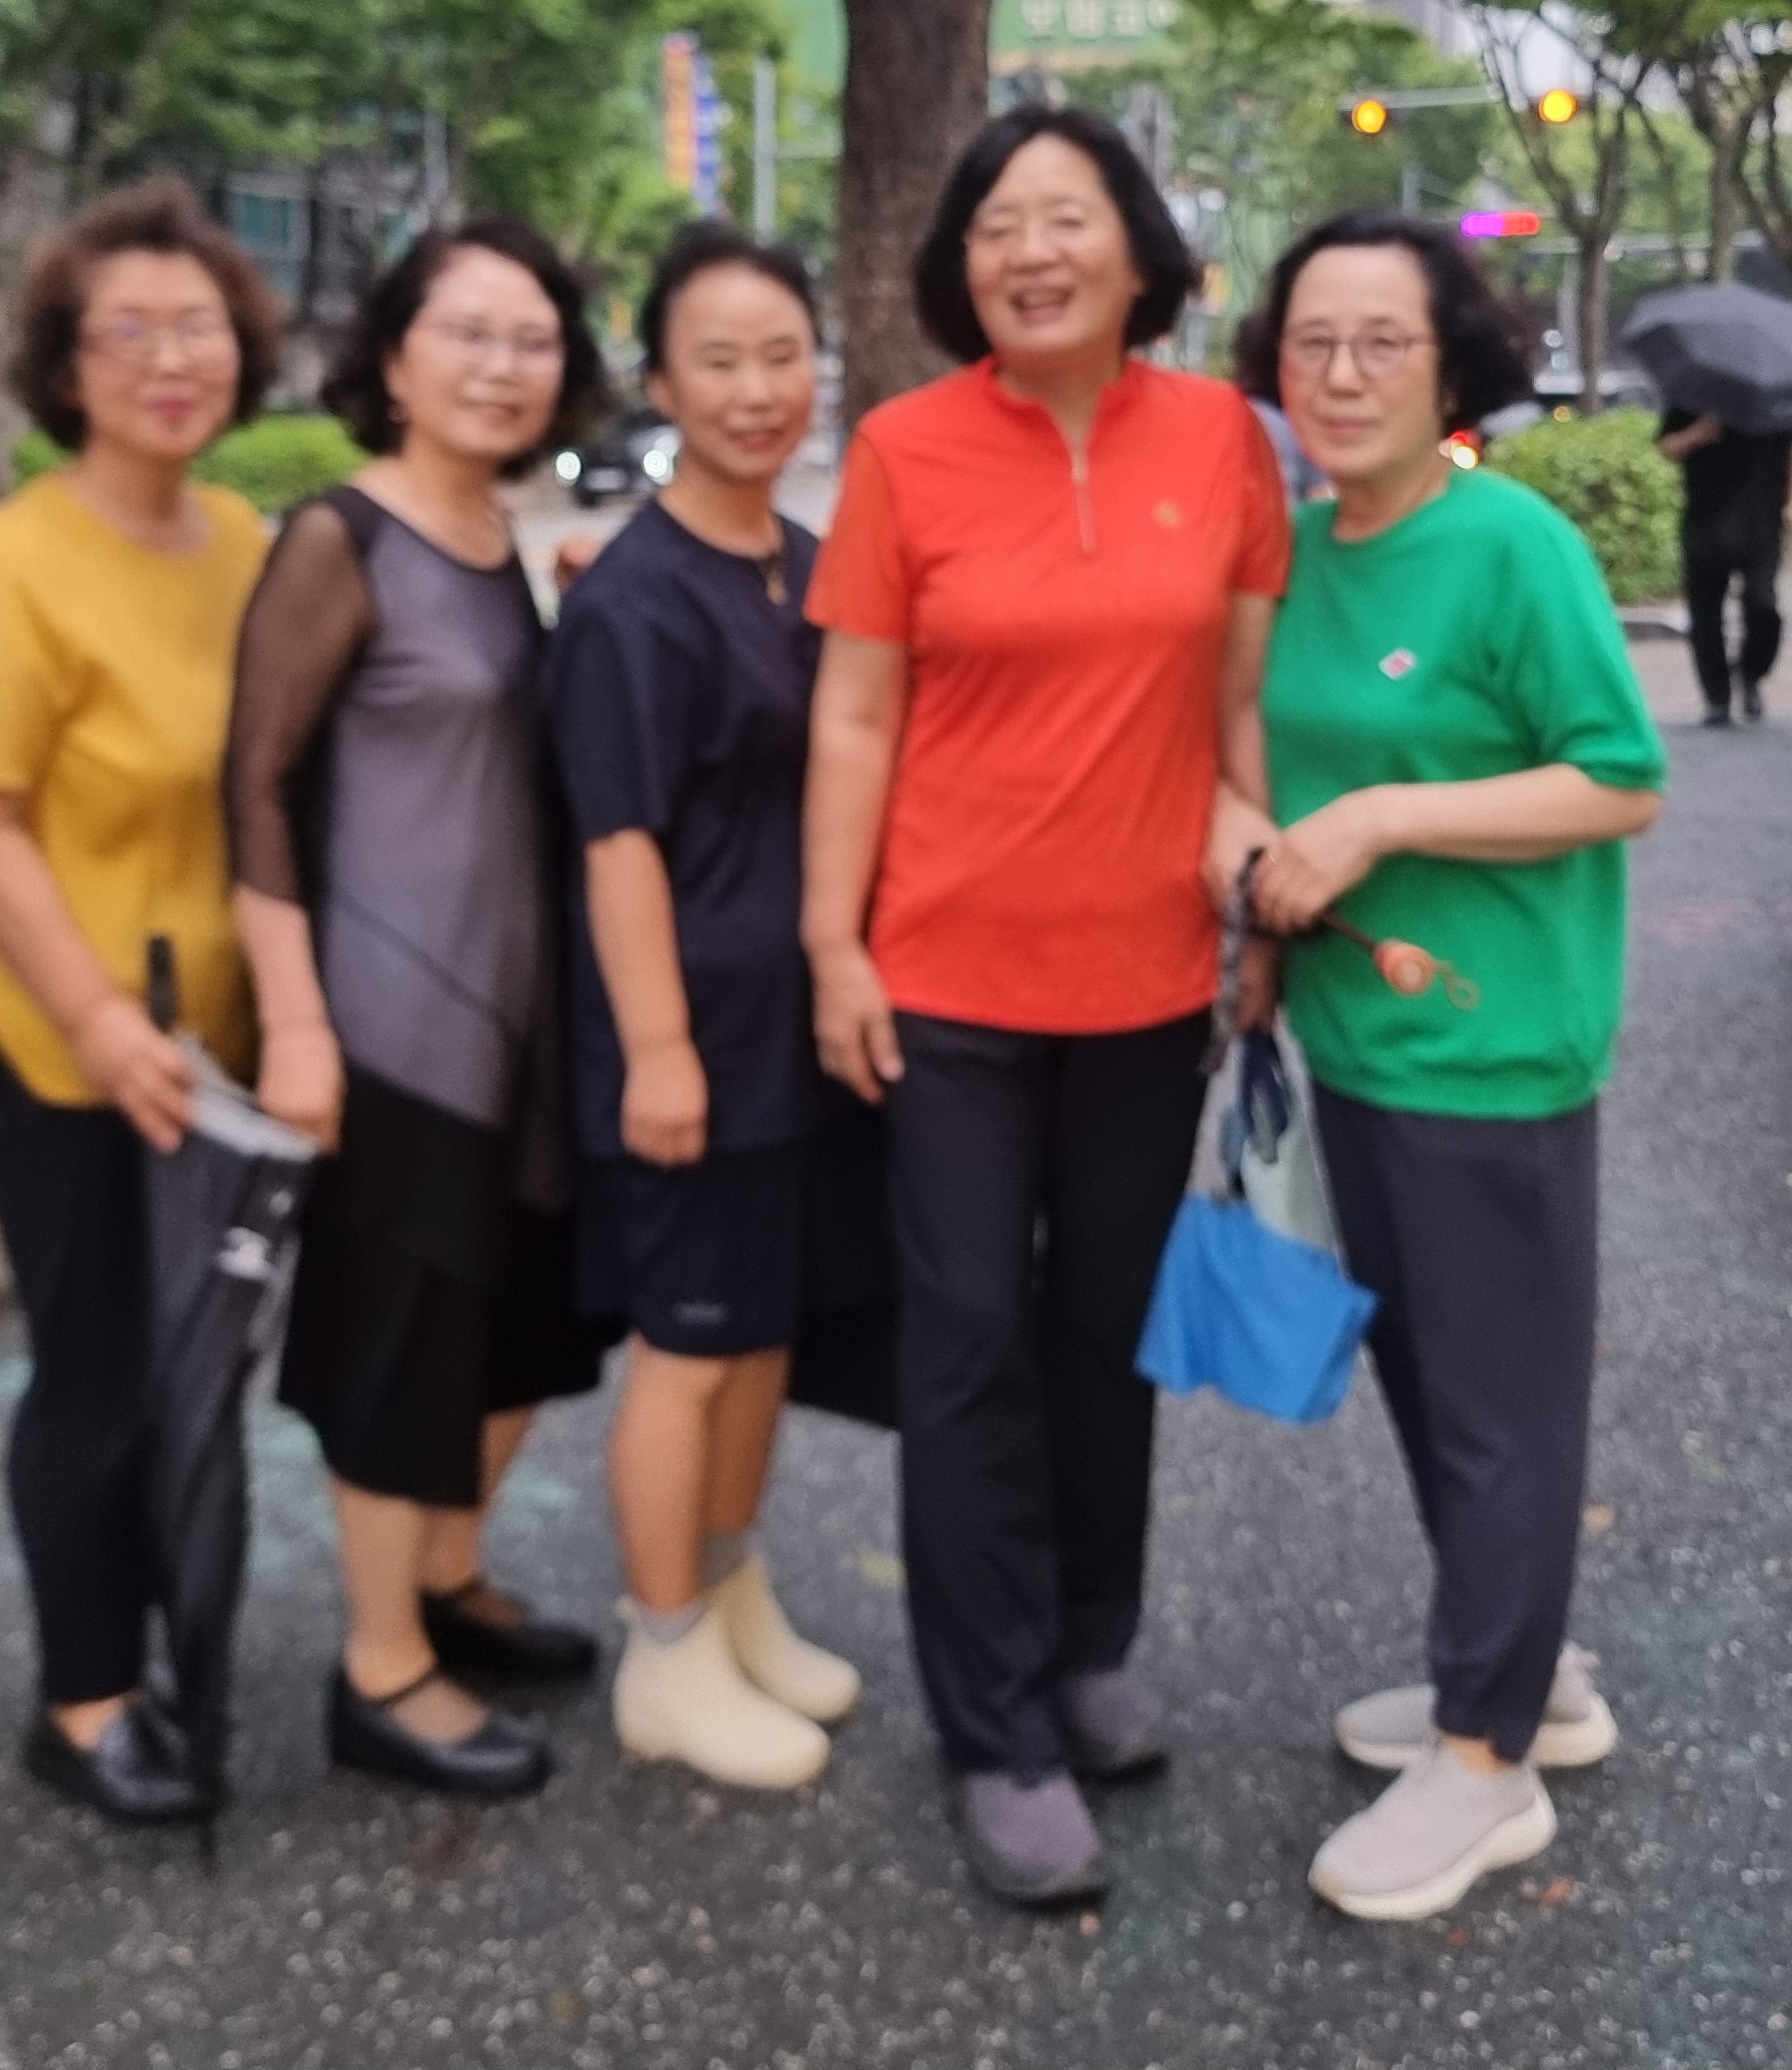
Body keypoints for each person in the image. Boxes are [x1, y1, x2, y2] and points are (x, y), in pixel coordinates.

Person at [803, 101, 1290, 1906]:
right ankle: (996, 1727)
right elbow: (855, 713)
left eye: (1066, 216)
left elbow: (1231, 709)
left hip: (1148, 977)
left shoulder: (1223, 442)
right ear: (961, 267)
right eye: (997, 224)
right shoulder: (906, 450)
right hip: (947, 982)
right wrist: (834, 945)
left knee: (1102, 1332)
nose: (1030, 250)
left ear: (1139, 250)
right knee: (965, 1347)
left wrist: (1258, 901)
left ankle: (1090, 1641)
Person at [1232, 211, 1665, 1923]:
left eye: (1381, 343)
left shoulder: (1511, 544)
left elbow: (1619, 776)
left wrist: (1385, 817)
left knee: (1501, 1407)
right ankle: (1525, 1677)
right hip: (1355, 1043)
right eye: (1311, 342)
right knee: (1428, 1380)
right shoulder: (1300, 550)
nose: (1341, 375)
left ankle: (1486, 1765)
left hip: (1495, 1052)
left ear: (1449, 365)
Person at [227, 217, 619, 1801]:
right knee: (399, 1348)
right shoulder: (341, 537)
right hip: (389, 1035)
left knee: (524, 1329)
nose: (501, 365)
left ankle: (449, 1580)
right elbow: (255, 784)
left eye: (531, 339)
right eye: (467, 332)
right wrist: (293, 1023)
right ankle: (381, 1668)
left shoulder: (497, 536)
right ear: (394, 358)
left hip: (526, 1036)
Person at [0, 177, 287, 1827]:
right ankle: (80, 1700)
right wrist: (97, 1020)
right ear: (65, 368)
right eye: (127, 333)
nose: (169, 361)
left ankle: (160, 1632)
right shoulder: (22, 564)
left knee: (189, 1367)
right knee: (97, 1371)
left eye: (197, 328)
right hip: (64, 1050)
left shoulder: (244, 546)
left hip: (213, 1046)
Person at [548, 224, 865, 1792]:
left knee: (760, 1335)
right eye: (717, 360)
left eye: (781, 355)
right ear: (661, 383)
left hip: (788, 1030)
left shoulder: (805, 563)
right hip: (685, 1037)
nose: (756, 389)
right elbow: (616, 844)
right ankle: (662, 1648)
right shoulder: (632, 598)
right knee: (685, 1346)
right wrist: (659, 1052)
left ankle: (732, 1591)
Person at [1656, 408, 1792, 728]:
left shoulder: (1771, 394)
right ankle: (1717, 697)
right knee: (1705, 615)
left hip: (1761, 521)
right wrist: (1697, 434)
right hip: (1705, 522)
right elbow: (1666, 446)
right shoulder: (1694, 396)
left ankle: (1751, 672)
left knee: (1763, 603)